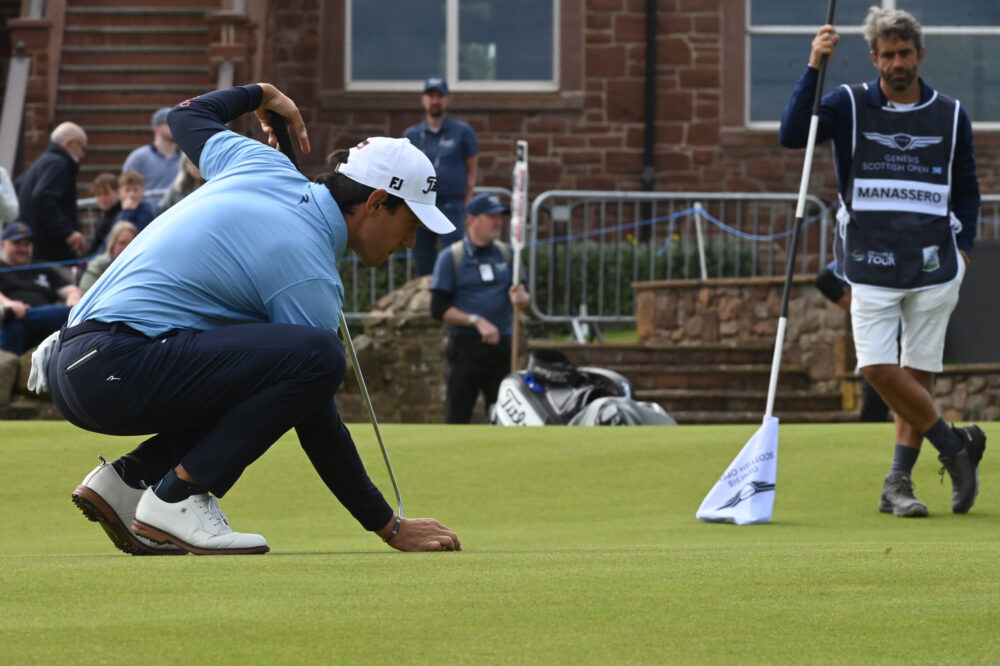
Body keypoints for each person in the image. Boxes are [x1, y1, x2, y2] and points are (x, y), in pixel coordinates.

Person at [31, 82, 461, 556]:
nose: (409, 244)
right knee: (318, 357)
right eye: (411, 225)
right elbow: (317, 420)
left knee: (263, 370)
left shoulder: (263, 163)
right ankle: (178, 498)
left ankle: (130, 481)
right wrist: (388, 526)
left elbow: (185, 118)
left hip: (81, 363)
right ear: (378, 202)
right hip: (115, 367)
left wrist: (260, 94)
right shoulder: (308, 271)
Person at [779, 7, 985, 518]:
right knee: (874, 365)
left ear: (920, 54)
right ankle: (955, 446)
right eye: (888, 54)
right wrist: (813, 66)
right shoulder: (848, 103)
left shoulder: (951, 114)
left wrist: (965, 249)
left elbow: (967, 189)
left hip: (935, 263)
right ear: (874, 58)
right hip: (868, 263)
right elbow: (792, 133)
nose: (897, 62)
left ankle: (898, 483)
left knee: (919, 373)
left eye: (905, 52)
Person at [430, 193, 530, 423]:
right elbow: (438, 309)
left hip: (503, 346)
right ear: (472, 220)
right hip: (466, 347)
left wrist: (523, 298)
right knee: (458, 413)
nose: (498, 222)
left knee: (504, 415)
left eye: (500, 217)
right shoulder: (451, 257)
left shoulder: (508, 254)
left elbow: (523, 299)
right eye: (491, 217)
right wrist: (477, 321)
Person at [403, 76, 478, 276]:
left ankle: (457, 299)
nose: (435, 100)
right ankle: (429, 302)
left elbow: (472, 168)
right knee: (423, 260)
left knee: (457, 258)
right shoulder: (411, 135)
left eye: (440, 96)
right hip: (420, 206)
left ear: (447, 99)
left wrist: (467, 201)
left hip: (451, 204)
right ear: (423, 99)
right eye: (431, 95)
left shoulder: (462, 131)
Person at [814, 263, 890, 423]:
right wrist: (859, 311)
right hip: (881, 336)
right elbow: (825, 280)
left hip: (911, 336)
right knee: (875, 407)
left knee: (918, 406)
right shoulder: (869, 249)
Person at [0, 222, 81, 355]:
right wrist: (9, 305)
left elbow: (70, 289)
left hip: (45, 319)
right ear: (3, 245)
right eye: (17, 243)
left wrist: (73, 297)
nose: (23, 248)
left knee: (73, 314)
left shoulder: (41, 267)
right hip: (10, 322)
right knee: (13, 323)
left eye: (27, 244)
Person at [14, 122, 89, 263]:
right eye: (83, 148)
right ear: (69, 143)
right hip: (51, 253)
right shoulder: (59, 163)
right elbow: (43, 197)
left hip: (36, 247)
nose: (83, 155)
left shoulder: (42, 161)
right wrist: (67, 232)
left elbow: (17, 187)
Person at [121, 107, 181, 197]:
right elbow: (125, 187)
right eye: (169, 123)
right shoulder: (138, 157)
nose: (174, 126)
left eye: (176, 123)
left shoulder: (186, 158)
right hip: (148, 211)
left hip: (181, 210)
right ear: (156, 128)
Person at [79, 221, 137, 293]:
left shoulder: (139, 267)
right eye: (122, 243)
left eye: (132, 243)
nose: (127, 248)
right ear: (112, 244)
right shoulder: (98, 264)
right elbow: (85, 293)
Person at [88, 173, 122, 253]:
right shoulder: (104, 216)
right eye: (99, 194)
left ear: (117, 192)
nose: (102, 198)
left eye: (106, 193)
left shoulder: (121, 215)